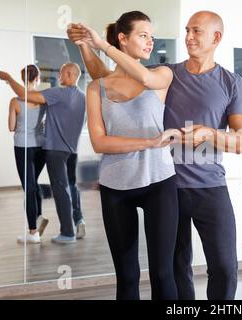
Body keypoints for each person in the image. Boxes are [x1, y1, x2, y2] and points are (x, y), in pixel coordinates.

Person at [67, 10, 242, 300]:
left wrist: (209, 134)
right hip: (168, 183)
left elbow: (240, 141)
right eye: (187, 30)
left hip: (209, 184)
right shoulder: (165, 74)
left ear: (216, 38)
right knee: (176, 270)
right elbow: (107, 80)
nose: (189, 36)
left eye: (196, 31)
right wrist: (85, 46)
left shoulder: (232, 83)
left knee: (225, 267)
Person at [78, 11, 182, 300]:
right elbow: (100, 142)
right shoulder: (96, 87)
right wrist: (148, 142)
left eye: (152, 36)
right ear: (123, 38)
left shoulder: (162, 74)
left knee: (163, 274)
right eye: (143, 35)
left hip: (159, 183)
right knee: (127, 277)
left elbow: (146, 79)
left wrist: (102, 46)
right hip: (115, 187)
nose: (150, 42)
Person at [0, 63, 86, 244]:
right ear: (37, 78)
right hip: (65, 147)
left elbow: (20, 104)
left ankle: (52, 232)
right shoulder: (80, 97)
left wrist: (8, 79)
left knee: (42, 187)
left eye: (62, 72)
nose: (59, 75)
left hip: (44, 148)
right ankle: (78, 218)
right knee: (71, 185)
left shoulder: (55, 94)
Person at [1, 65, 48, 243]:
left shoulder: (15, 101)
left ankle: (33, 231)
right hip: (41, 146)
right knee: (33, 184)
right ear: (37, 78)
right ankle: (39, 217)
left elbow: (12, 127)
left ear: (22, 79)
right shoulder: (44, 99)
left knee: (29, 187)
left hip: (23, 146)